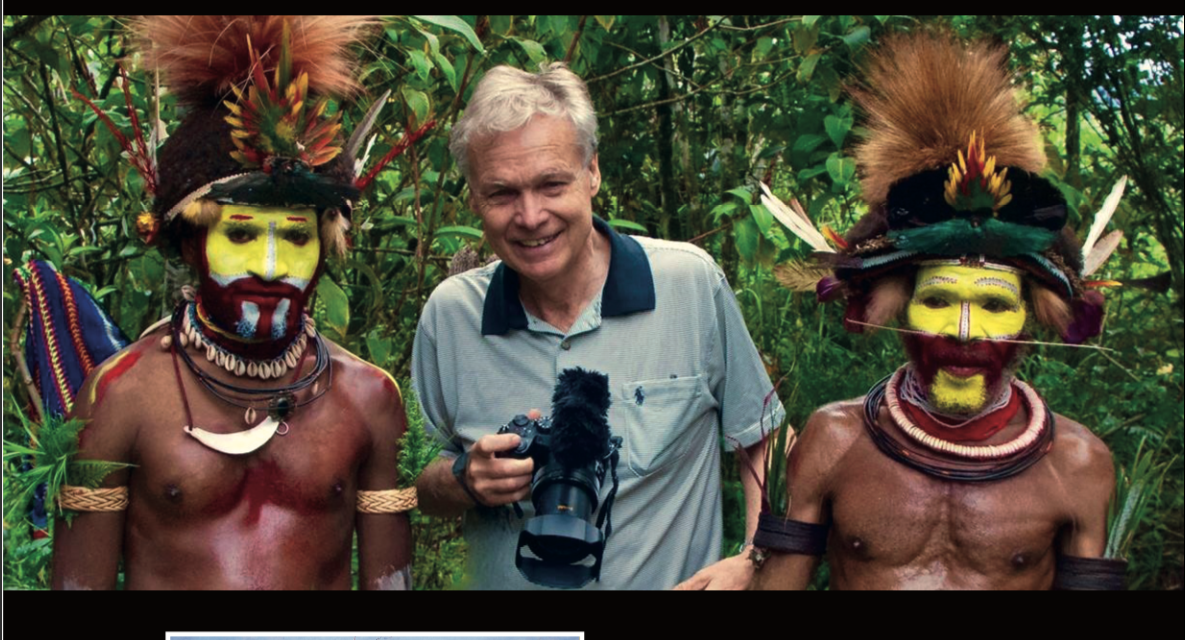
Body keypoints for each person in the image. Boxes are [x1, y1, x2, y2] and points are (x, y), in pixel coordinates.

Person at [52, 16, 417, 590]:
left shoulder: (370, 398)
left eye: (296, 238)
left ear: (324, 246)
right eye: (241, 235)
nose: (270, 268)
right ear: (191, 242)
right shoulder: (120, 396)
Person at [751, 32, 1125, 590]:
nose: (965, 331)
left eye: (995, 304)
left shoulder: (1078, 465)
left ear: (1028, 318)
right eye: (938, 299)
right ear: (898, 308)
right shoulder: (833, 441)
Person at [412, 63, 785, 589]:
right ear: (474, 198)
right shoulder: (451, 316)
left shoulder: (688, 285)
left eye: (551, 183)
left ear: (592, 173)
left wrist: (754, 559)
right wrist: (463, 478)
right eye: (501, 193)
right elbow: (415, 485)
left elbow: (765, 440)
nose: (530, 215)